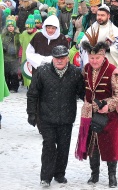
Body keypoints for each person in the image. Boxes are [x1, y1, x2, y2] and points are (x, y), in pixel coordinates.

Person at [75, 35, 118, 188]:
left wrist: (108, 105)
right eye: (91, 57)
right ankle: (94, 174)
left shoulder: (112, 71)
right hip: (90, 114)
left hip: (109, 116)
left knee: (110, 146)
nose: (94, 61)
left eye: (97, 57)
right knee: (92, 146)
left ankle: (112, 176)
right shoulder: (85, 69)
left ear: (103, 55)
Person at [26, 45, 85, 187]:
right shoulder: (42, 72)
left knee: (64, 148)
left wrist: (95, 103)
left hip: (67, 117)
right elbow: (32, 94)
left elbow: (83, 94)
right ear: (52, 58)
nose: (59, 60)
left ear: (67, 58)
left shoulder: (76, 73)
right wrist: (31, 113)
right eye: (57, 58)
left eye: (63, 58)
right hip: (46, 117)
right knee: (49, 147)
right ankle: (45, 177)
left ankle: (59, 174)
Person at [80, 4, 118, 70]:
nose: (100, 17)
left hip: (107, 63)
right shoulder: (91, 29)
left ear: (108, 16)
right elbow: (83, 44)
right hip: (92, 63)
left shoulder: (115, 31)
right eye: (98, 15)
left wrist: (108, 49)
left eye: (102, 15)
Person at [2, 15, 20, 92]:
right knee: (6, 73)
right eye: (9, 26)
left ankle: (14, 87)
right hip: (6, 57)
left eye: (12, 26)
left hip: (14, 57)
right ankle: (7, 86)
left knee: (14, 73)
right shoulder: (3, 35)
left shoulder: (18, 35)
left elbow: (20, 44)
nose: (10, 27)